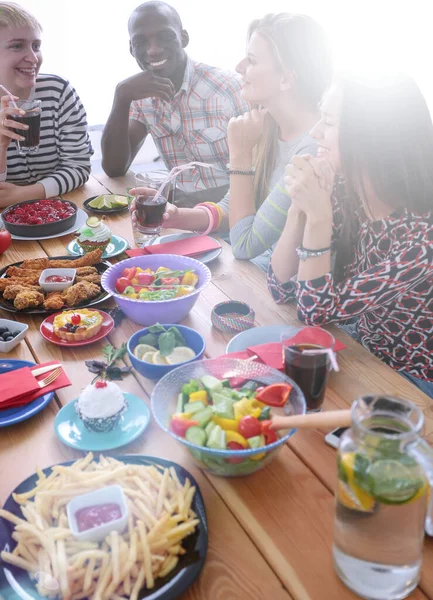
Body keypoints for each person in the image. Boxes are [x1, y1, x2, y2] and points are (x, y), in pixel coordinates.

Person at [268, 74, 433, 397]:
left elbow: (314, 313)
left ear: (369, 137)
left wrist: (318, 216)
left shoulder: (422, 237)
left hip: (414, 382)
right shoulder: (349, 190)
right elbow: (281, 286)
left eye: (327, 123)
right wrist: (299, 209)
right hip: (363, 350)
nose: (316, 133)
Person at [131, 12, 331, 271]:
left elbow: (245, 244)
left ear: (286, 79)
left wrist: (240, 155)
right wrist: (177, 216)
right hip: (253, 274)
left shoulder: (314, 150)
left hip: (277, 287)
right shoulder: (269, 127)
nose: (239, 67)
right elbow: (236, 206)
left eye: (252, 60)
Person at [101, 0, 247, 207]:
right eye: (141, 41)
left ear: (183, 38)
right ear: (131, 49)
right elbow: (114, 168)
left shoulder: (227, 87)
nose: (153, 50)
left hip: (233, 211)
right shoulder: (139, 97)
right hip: (179, 214)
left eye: (165, 36)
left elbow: (265, 169)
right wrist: (121, 97)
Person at [0, 1, 93, 207]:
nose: (33, 58)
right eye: (17, 46)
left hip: (59, 206)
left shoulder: (58, 91)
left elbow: (78, 166)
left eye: (36, 46)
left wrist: (25, 194)